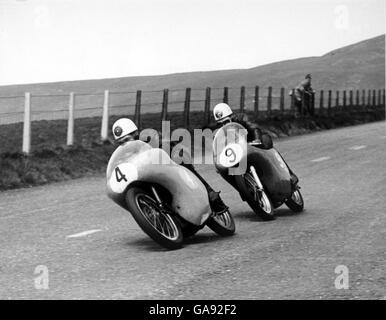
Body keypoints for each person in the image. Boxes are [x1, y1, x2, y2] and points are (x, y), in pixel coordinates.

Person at [111, 118, 229, 215]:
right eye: (121, 142)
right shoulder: (124, 153)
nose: (125, 144)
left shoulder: (149, 136)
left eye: (127, 139)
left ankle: (211, 196)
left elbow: (165, 144)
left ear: (135, 133)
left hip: (168, 161)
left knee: (182, 164)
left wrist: (163, 149)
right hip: (147, 173)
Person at [211, 103, 299, 188]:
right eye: (220, 123)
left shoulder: (242, 118)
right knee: (225, 170)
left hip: (252, 143)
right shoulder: (218, 133)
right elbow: (218, 148)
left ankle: (290, 175)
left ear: (231, 116)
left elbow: (254, 127)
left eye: (226, 121)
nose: (224, 125)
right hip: (237, 153)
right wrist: (218, 162)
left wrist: (257, 139)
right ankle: (243, 191)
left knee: (266, 142)